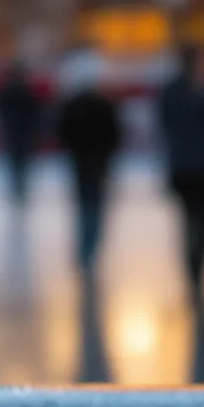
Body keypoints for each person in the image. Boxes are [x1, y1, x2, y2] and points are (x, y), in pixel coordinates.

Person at [155, 43, 204, 293]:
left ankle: (193, 270)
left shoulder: (171, 92)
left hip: (183, 167)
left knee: (189, 221)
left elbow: (163, 124)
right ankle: (198, 268)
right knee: (203, 221)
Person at [56, 77, 123, 269]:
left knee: (84, 206)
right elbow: (114, 134)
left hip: (80, 162)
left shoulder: (73, 105)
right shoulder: (104, 106)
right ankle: (90, 247)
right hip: (98, 163)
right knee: (95, 206)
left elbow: (62, 131)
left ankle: (85, 248)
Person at [0, 62, 45, 205]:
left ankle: (16, 189)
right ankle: (20, 189)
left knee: (14, 163)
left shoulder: (5, 92)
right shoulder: (27, 93)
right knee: (22, 163)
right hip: (24, 134)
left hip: (12, 133)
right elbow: (36, 113)